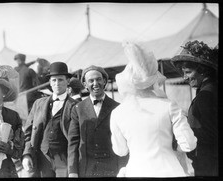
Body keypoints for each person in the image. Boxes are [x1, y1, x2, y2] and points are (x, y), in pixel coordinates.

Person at [110, 42, 197, 177]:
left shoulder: (117, 113)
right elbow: (188, 144)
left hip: (136, 171)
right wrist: (175, 148)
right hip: (169, 171)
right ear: (153, 80)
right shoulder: (168, 105)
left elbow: (120, 151)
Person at [67, 65, 128, 177]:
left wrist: (123, 168)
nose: (95, 83)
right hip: (86, 169)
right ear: (85, 85)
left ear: (104, 81)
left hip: (111, 169)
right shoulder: (77, 109)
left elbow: (124, 142)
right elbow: (73, 143)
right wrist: (72, 171)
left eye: (98, 79)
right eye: (91, 81)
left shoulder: (118, 108)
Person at [171, 40, 218, 176]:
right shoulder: (209, 89)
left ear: (203, 71)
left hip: (210, 163)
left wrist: (184, 129)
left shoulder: (206, 95)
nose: (185, 77)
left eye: (188, 72)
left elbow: (212, 134)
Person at [22, 62, 77, 177]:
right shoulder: (38, 104)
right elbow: (27, 132)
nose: (57, 83)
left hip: (64, 159)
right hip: (42, 158)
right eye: (54, 80)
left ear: (67, 82)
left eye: (61, 80)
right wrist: (27, 154)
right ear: (50, 83)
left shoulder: (75, 106)